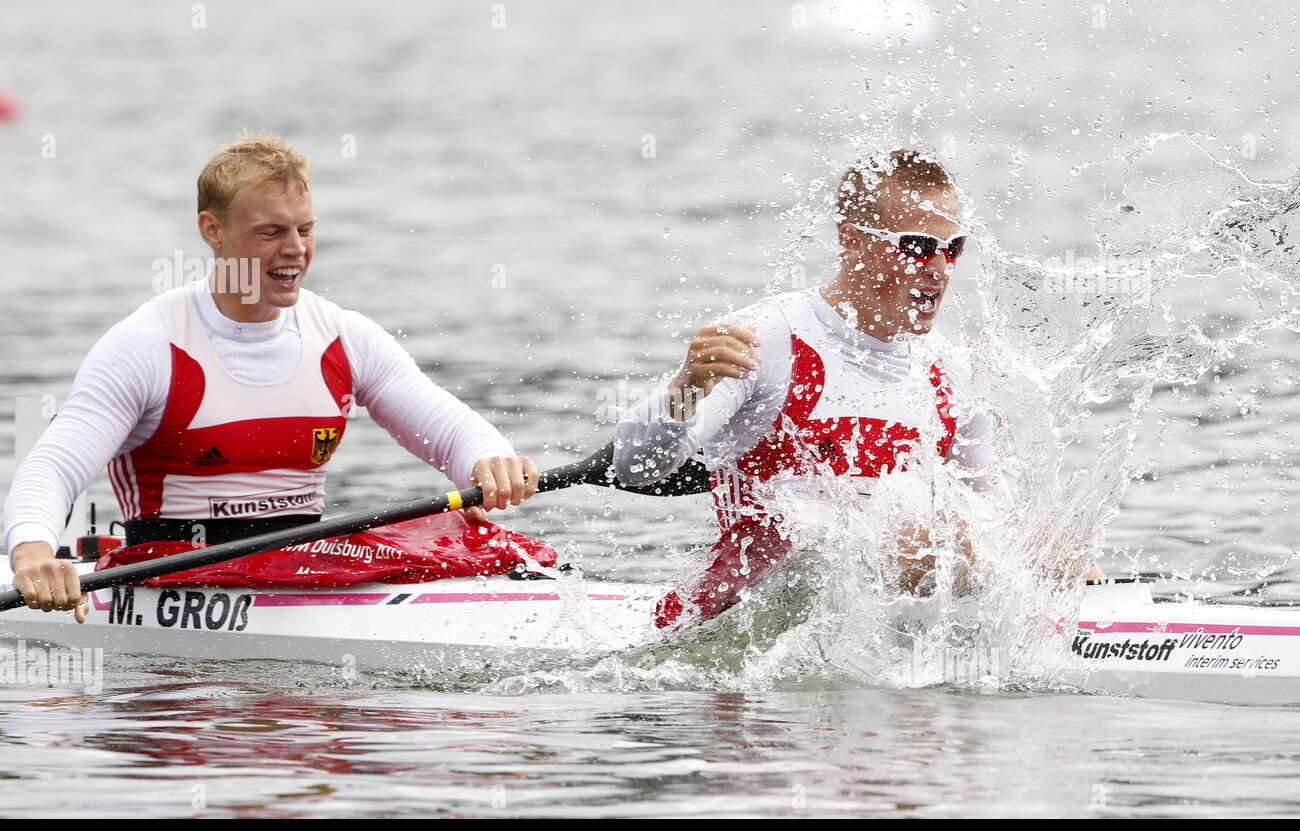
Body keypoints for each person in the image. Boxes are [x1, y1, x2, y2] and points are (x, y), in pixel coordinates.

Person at [5, 132, 538, 623]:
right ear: (212, 230)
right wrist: (32, 551)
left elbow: (444, 425)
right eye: (271, 232)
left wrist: (490, 460)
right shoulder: (149, 345)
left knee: (486, 542)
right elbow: (52, 467)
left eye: (305, 230)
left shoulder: (343, 335)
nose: (296, 250)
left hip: (306, 556)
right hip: (173, 567)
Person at [614, 149, 1098, 630]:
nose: (940, 268)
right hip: (749, 610)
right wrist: (684, 389)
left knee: (1061, 546)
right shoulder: (766, 340)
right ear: (853, 242)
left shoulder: (953, 370)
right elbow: (636, 469)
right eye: (917, 246)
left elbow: (991, 515)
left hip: (879, 610)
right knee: (926, 538)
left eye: (953, 249)